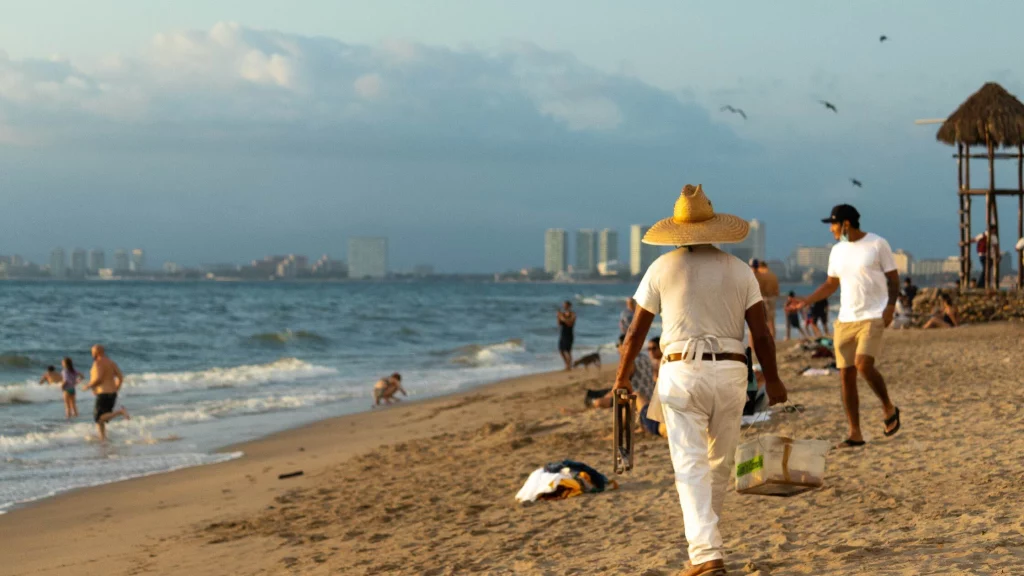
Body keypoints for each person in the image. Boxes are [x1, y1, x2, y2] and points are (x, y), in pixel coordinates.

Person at [614, 184, 787, 576]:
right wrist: (772, 381)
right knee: (719, 463)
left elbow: (635, 334)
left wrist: (622, 377)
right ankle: (704, 551)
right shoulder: (740, 270)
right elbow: (761, 335)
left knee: (690, 465)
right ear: (713, 227)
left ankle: (707, 554)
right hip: (730, 371)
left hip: (681, 372)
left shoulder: (661, 268)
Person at [796, 204, 901, 448]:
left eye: (833, 224)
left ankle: (888, 406)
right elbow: (831, 285)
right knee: (846, 376)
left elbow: (893, 279)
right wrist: (806, 300)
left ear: (845, 224)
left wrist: (890, 307)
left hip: (873, 315)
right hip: (845, 319)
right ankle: (855, 433)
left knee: (864, 365)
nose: (831, 229)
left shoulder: (877, 244)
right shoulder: (836, 251)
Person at [83, 345, 129, 441]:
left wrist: (88, 386)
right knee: (102, 419)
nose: (92, 354)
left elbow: (98, 379)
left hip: (103, 393)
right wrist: (116, 388)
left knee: (98, 418)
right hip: (112, 393)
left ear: (97, 352)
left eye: (93, 352)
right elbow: (120, 377)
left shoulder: (98, 363)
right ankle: (102, 438)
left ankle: (120, 412)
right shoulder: (111, 362)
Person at [757, 261, 781, 338]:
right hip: (773, 298)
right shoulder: (773, 275)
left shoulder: (761, 275)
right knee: (772, 321)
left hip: (765, 298)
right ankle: (773, 338)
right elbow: (777, 291)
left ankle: (766, 339)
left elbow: (760, 288)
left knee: (764, 321)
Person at [556, 301, 576, 370]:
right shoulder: (562, 314)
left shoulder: (573, 314)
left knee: (568, 351)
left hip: (569, 334)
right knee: (561, 350)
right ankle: (566, 364)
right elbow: (559, 324)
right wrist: (558, 316)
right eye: (564, 305)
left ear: (569, 306)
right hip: (563, 334)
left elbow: (570, 324)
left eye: (566, 305)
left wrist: (562, 318)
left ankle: (569, 365)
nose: (564, 307)